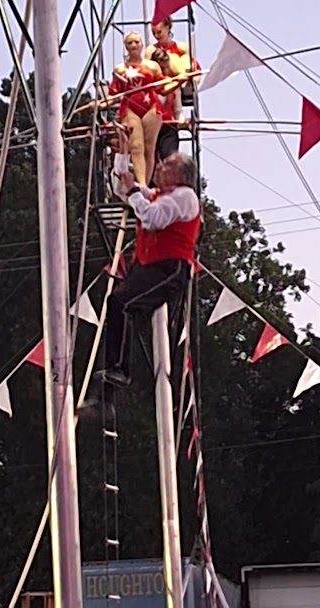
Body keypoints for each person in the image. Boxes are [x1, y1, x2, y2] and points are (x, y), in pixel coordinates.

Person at [96, 152, 201, 388]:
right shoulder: (158, 195)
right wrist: (122, 158)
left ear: (180, 175)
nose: (160, 167)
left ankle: (120, 368)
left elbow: (153, 218)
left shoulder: (184, 196)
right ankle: (114, 369)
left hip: (169, 267)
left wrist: (133, 190)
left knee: (122, 303)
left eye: (168, 165)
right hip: (148, 265)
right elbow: (123, 189)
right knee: (118, 304)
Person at [109, 31, 164, 186]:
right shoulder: (119, 69)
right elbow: (114, 93)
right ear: (125, 46)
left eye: (136, 42)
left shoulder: (152, 66)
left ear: (142, 45)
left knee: (149, 147)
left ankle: (145, 185)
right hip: (129, 108)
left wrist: (179, 82)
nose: (133, 45)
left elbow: (162, 88)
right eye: (130, 42)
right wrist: (102, 103)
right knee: (136, 146)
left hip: (151, 107)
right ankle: (141, 184)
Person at [150, 47, 186, 161]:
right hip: (150, 127)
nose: (163, 70)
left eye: (165, 66)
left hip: (168, 127)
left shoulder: (173, 84)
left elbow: (178, 110)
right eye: (161, 67)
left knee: (169, 158)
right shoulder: (146, 84)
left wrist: (181, 121)